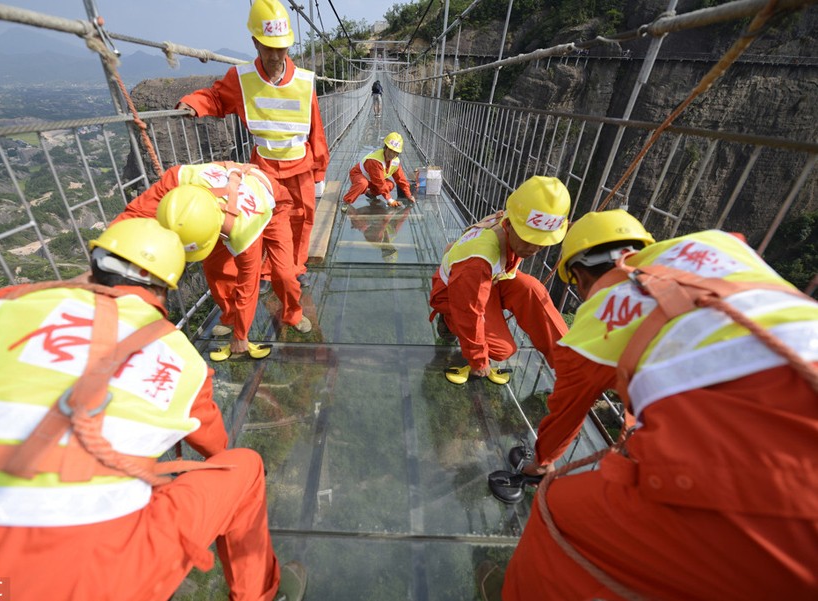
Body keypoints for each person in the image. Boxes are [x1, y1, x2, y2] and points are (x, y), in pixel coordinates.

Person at [0, 218, 308, 601]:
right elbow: (215, 448)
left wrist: (76, 290)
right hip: (100, 569)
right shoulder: (182, 361)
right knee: (243, 466)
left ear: (93, 267)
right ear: (163, 289)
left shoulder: (10, 312)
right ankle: (260, 592)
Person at [495, 210, 818, 600]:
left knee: (560, 512)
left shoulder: (596, 324)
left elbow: (565, 414)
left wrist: (539, 464)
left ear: (578, 276)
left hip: (775, 480)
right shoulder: (718, 243)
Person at [176, 0, 329, 287]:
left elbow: (315, 129)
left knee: (301, 219)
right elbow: (218, 98)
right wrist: (194, 104)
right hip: (264, 170)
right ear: (255, 43)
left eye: (281, 48)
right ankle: (269, 272)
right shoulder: (241, 79)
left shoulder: (305, 81)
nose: (275, 55)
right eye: (268, 47)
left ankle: (293, 270)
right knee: (265, 222)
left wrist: (319, 171)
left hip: (301, 168)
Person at [113, 161, 312, 359]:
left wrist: (240, 337)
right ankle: (230, 315)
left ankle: (293, 313)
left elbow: (248, 286)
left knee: (284, 272)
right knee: (215, 269)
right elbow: (135, 213)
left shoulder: (243, 229)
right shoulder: (178, 180)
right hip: (221, 206)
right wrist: (103, 255)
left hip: (273, 207)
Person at [428, 175, 570, 384]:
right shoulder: (477, 261)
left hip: (488, 280)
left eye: (542, 242)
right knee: (502, 350)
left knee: (532, 289)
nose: (534, 249)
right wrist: (478, 361)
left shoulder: (511, 219)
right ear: (510, 225)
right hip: (455, 291)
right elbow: (469, 311)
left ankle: (570, 365)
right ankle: (449, 320)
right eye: (529, 239)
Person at [342, 132, 416, 211]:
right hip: (359, 174)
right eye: (390, 150)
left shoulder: (395, 162)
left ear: (398, 153)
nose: (391, 154)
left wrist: (409, 195)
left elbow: (401, 179)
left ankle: (371, 193)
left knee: (390, 185)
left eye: (395, 152)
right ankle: (346, 202)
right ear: (385, 147)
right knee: (363, 183)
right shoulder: (375, 161)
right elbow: (379, 182)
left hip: (372, 179)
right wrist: (390, 200)